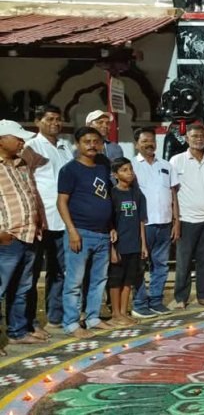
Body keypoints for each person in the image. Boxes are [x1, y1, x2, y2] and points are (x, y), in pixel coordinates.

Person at [57, 126, 114, 338]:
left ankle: (93, 318)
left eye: (95, 141)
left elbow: (106, 197)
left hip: (103, 234)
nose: (92, 145)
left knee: (99, 280)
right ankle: (71, 323)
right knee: (74, 282)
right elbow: (61, 202)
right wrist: (72, 231)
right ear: (77, 144)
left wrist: (111, 226)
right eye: (87, 141)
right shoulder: (69, 170)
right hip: (80, 233)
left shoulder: (103, 166)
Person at [22, 104, 72, 332]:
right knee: (31, 275)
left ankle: (55, 318)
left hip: (63, 220)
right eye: (50, 119)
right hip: (40, 220)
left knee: (59, 271)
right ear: (38, 122)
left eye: (58, 119)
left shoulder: (65, 147)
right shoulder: (31, 146)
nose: (55, 123)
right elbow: (25, 182)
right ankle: (29, 323)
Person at [169, 124, 204, 309]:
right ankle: (181, 298)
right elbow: (172, 192)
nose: (199, 139)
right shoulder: (176, 160)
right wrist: (176, 220)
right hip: (185, 219)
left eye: (202, 136)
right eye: (194, 136)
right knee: (184, 262)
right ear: (187, 139)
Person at [0, 120, 46, 355]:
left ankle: (17, 332)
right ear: (1, 140)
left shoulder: (21, 164)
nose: (22, 142)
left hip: (29, 234)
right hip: (7, 237)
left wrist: (39, 223)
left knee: (22, 287)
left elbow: (32, 193)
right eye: (17, 138)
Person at [131, 127, 179, 318]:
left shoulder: (166, 165)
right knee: (139, 265)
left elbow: (174, 195)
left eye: (151, 140)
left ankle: (156, 301)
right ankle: (139, 303)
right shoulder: (131, 166)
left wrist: (176, 221)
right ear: (136, 144)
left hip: (165, 223)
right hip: (143, 225)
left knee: (161, 265)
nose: (149, 144)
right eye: (144, 141)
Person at [107, 157, 148, 327]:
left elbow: (141, 221)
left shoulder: (137, 194)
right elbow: (109, 223)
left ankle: (124, 312)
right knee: (116, 280)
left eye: (130, 169)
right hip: (119, 246)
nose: (129, 173)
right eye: (124, 170)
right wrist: (112, 249)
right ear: (115, 174)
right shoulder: (112, 195)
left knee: (128, 280)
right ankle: (115, 313)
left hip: (134, 244)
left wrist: (143, 245)